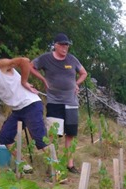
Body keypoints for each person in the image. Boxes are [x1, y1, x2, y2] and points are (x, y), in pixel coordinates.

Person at [30, 33, 88, 175]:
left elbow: (84, 73)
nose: (65, 47)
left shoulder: (72, 59)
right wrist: (43, 80)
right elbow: (30, 66)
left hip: (71, 103)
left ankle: (70, 164)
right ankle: (53, 164)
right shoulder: (46, 58)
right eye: (62, 44)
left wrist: (76, 84)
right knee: (53, 134)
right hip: (54, 102)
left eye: (67, 45)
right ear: (55, 45)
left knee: (71, 134)